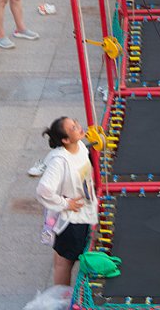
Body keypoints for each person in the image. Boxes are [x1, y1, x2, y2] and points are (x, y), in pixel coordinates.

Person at [36, 117, 98, 286]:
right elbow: (43, 190)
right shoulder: (59, 161)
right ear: (65, 140)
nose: (79, 127)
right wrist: (66, 203)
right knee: (64, 261)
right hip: (70, 219)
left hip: (81, 211)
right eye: (73, 128)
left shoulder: (80, 147)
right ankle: (61, 296)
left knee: (63, 258)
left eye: (76, 123)